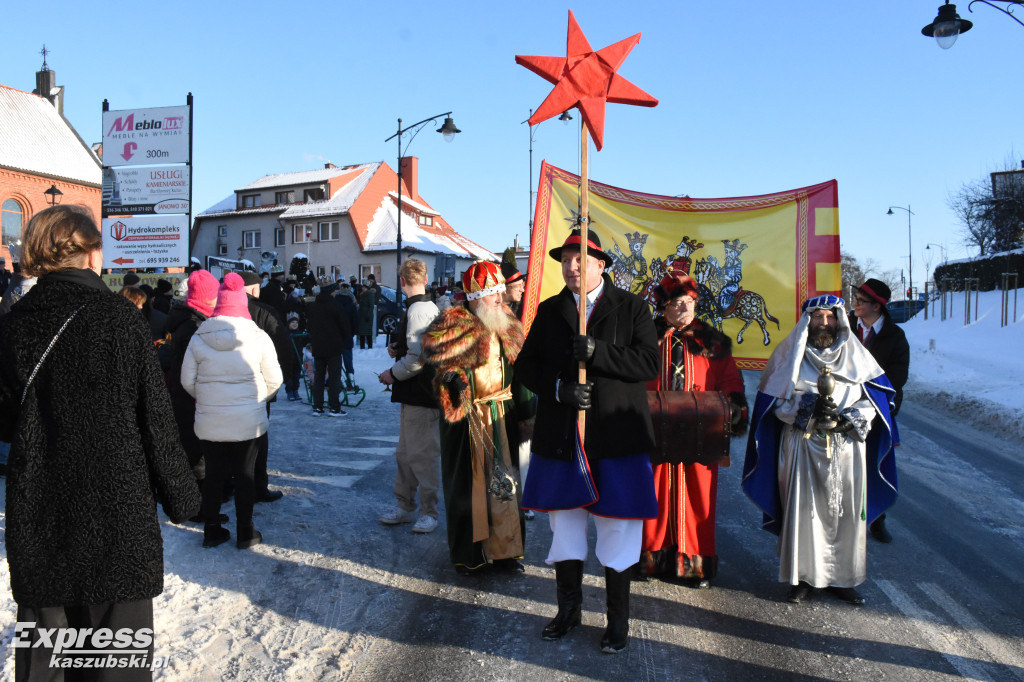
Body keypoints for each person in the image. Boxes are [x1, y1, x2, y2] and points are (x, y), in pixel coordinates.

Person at [0, 205, 200, 679]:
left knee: (45, 660)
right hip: (115, 514)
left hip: (42, 511)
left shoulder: (12, 326)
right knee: (116, 662)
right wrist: (182, 495)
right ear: (90, 255)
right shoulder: (120, 320)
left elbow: (6, 421)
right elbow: (156, 420)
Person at [516, 228, 659, 654]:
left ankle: (618, 621)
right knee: (565, 526)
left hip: (617, 437)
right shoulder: (549, 310)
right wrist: (558, 388)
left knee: (618, 527)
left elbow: (648, 363)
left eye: (581, 259)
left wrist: (598, 352)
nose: (572, 266)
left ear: (601, 265)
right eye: (566, 259)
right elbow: (525, 367)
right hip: (563, 438)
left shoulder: (632, 308)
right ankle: (569, 611)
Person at [742, 295, 899, 606]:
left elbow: (878, 402)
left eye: (830, 317)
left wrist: (850, 418)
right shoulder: (789, 355)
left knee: (846, 513)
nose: (824, 323)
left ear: (840, 320)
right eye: (818, 317)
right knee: (804, 513)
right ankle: (802, 578)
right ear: (807, 321)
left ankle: (844, 578)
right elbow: (773, 405)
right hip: (802, 444)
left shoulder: (858, 356)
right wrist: (807, 411)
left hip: (847, 446)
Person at [422, 260, 531, 576]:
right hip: (468, 421)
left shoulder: (507, 324)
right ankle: (472, 556)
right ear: (474, 297)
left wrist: (527, 413)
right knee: (470, 490)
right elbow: (440, 370)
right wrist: (452, 380)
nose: (500, 299)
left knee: (505, 486)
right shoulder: (452, 328)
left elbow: (519, 374)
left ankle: (506, 553)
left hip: (502, 417)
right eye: (492, 294)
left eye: (500, 293)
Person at [640, 273, 748, 588]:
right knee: (654, 493)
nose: (685, 309)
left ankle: (693, 566)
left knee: (697, 498)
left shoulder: (712, 341)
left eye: (690, 303)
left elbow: (729, 379)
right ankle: (652, 559)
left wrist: (735, 408)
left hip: (700, 432)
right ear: (663, 307)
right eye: (677, 303)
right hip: (655, 430)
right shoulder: (645, 336)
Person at [181, 272, 283, 549]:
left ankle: (212, 531)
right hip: (248, 421)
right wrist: (253, 400)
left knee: (214, 474)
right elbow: (275, 379)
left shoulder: (199, 335)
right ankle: (245, 532)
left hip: (210, 420)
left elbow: (186, 381)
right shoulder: (259, 337)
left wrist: (209, 398)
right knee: (245, 475)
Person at [378, 258, 442, 533]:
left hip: (422, 393)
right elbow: (418, 347)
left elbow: (419, 359)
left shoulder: (417, 310)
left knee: (421, 455)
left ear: (402, 282)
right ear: (425, 279)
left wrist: (392, 373)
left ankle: (429, 511)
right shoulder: (427, 307)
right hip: (418, 394)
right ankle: (405, 506)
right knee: (405, 453)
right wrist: (399, 346)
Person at [850, 278, 910, 544]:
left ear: (876, 306)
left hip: (877, 408)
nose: (855, 305)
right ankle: (846, 518)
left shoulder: (895, 336)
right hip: (844, 406)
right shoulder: (846, 328)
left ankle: (877, 519)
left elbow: (897, 376)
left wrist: (872, 395)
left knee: (875, 464)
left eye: (860, 301)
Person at [164, 269, 223, 513]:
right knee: (196, 453)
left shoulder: (190, 319)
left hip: (187, 394)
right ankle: (196, 507)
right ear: (207, 297)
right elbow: (195, 369)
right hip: (190, 397)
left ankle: (197, 502)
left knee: (194, 450)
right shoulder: (192, 325)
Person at [240, 270, 294, 502]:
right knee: (258, 436)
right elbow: (283, 346)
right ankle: (257, 485)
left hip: (225, 386)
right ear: (254, 289)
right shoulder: (263, 312)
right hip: (259, 385)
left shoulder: (219, 311)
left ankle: (231, 483)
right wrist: (283, 377)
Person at [305, 282, 350, 416]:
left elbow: (309, 327)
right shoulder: (335, 306)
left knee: (319, 377)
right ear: (331, 292)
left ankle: (317, 407)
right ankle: (334, 407)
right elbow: (345, 326)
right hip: (334, 347)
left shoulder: (313, 306)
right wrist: (344, 339)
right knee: (334, 377)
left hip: (318, 346)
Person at [357, 279, 378, 349]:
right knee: (362, 332)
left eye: (364, 287)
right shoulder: (362, 294)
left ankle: (370, 346)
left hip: (367, 316)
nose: (362, 288)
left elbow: (371, 306)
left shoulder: (370, 294)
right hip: (362, 315)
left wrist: (368, 315)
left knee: (368, 332)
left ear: (367, 288)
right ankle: (362, 346)